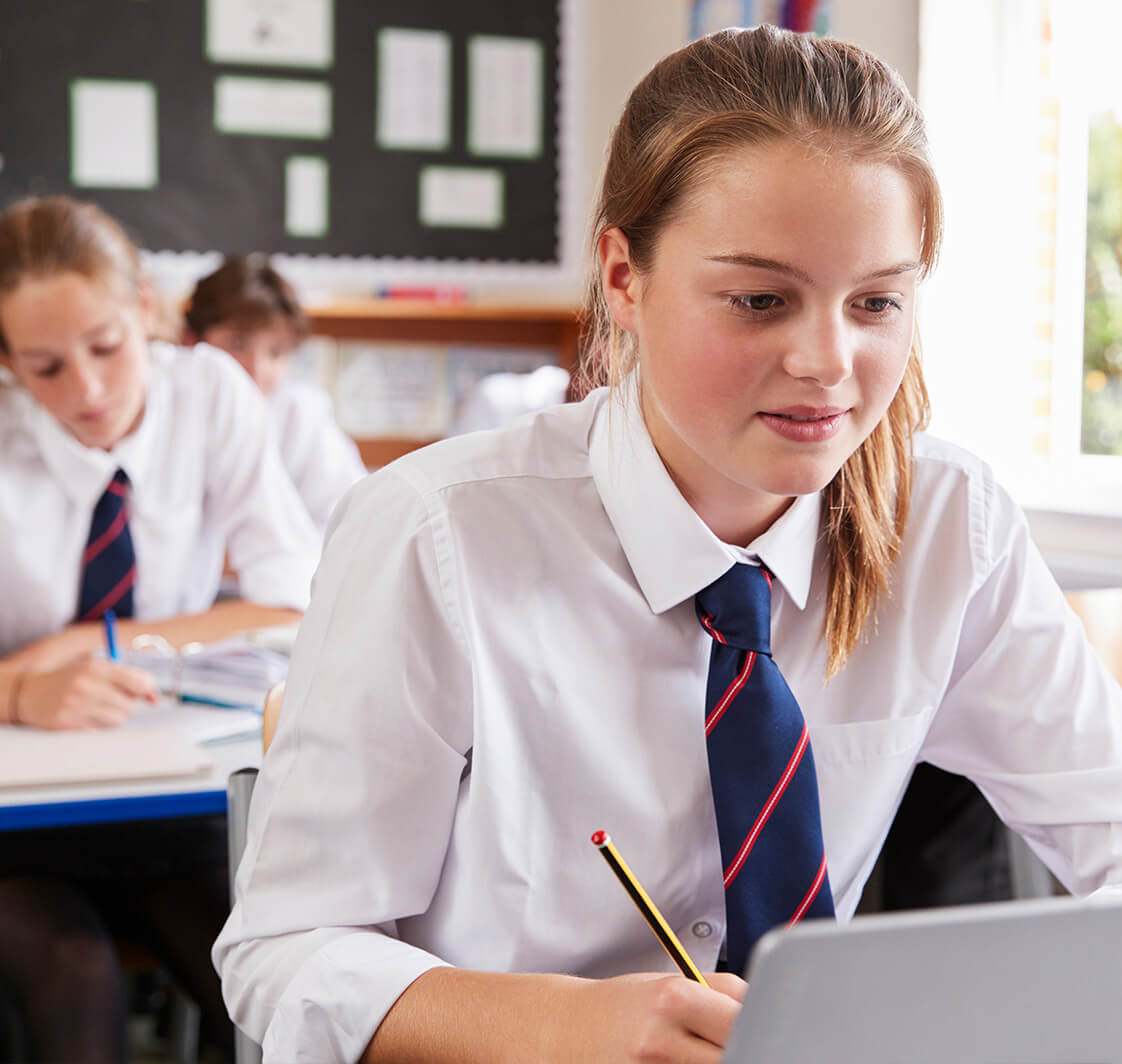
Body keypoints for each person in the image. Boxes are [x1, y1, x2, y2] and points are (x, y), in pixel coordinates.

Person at [214, 26, 1122, 1063]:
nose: (830, 361)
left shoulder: (950, 522)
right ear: (623, 276)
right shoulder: (437, 534)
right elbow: (282, 953)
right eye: (759, 299)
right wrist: (564, 1023)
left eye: (877, 301)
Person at [0, 196, 321, 1062]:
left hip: (162, 799)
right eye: (43, 367)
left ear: (144, 306)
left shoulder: (208, 390)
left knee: (273, 988)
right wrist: (22, 689)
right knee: (77, 980)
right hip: (16, 825)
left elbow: (292, 596)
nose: (89, 390)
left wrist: (100, 644)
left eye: (105, 347)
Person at [184, 254, 366, 535]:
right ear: (192, 339)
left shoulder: (300, 415)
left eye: (276, 352)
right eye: (238, 343)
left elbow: (350, 517)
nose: (256, 369)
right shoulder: (167, 409)